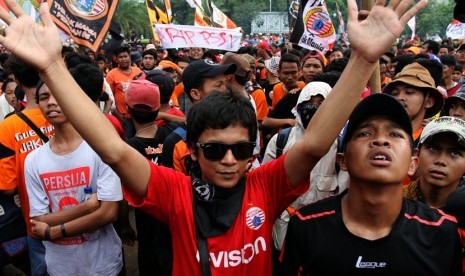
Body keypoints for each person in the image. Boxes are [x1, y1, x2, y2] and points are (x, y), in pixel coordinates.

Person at [0, 0, 428, 274]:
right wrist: (52, 68)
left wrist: (362, 59)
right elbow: (112, 150)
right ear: (192, 152)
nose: (228, 160)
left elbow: (314, 144)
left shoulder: (267, 184)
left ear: (252, 153)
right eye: (214, 149)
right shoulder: (175, 192)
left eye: (240, 149)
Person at [281, 93, 462, 275]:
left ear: (413, 163)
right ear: (342, 160)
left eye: (395, 134)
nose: (381, 140)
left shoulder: (440, 230)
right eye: (365, 133)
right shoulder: (307, 226)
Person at [24, 81, 123, 275]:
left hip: (104, 265)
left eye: (58, 95)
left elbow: (109, 213)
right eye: (44, 98)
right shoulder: (33, 160)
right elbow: (38, 221)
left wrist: (55, 230)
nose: (51, 102)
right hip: (61, 267)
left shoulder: (101, 147)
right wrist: (87, 207)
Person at [0, 56, 54, 275]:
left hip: (35, 221)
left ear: (18, 83)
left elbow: (8, 187)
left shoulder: (8, 127)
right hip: (76, 212)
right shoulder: (64, 114)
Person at [124, 79, 176, 276]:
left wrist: (124, 224)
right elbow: (189, 121)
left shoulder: (128, 148)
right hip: (173, 215)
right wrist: (162, 115)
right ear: (157, 110)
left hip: (146, 219)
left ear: (128, 111)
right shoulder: (173, 133)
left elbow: (122, 194)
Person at [403, 116, 465, 209]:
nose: (441, 161)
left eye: (455, 153)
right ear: (416, 155)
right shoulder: (394, 203)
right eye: (433, 149)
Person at [383, 62, 444, 144]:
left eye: (409, 92)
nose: (399, 98)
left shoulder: (431, 142)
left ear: (428, 102)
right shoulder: (380, 137)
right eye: (395, 93)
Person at [105, 45, 144, 138]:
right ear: (116, 59)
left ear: (130, 57)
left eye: (125, 56)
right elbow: (110, 97)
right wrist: (118, 116)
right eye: (120, 57)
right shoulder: (111, 75)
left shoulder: (138, 72)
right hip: (123, 117)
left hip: (139, 116)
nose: (123, 59)